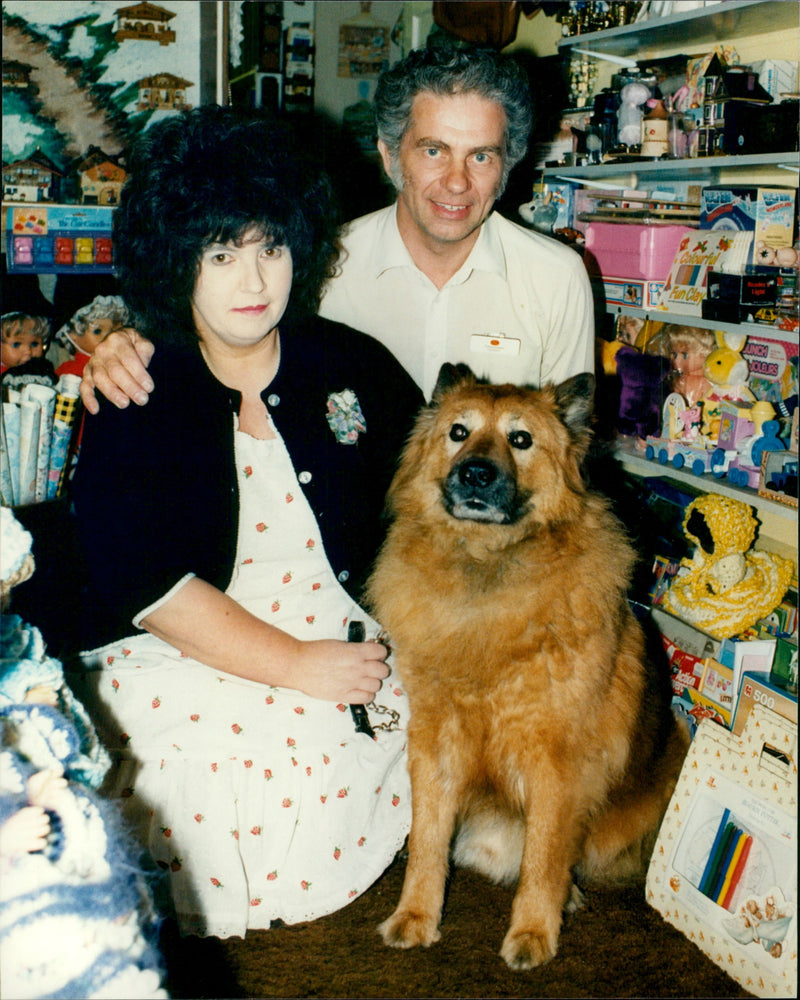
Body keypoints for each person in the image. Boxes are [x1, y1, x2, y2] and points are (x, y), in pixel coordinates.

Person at [67, 104, 423, 939]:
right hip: (187, 638)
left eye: (270, 249)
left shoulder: (353, 364)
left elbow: (427, 510)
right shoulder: (137, 385)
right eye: (221, 255)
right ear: (176, 261)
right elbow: (142, 581)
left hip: (343, 625)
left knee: (325, 757)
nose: (254, 282)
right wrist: (294, 665)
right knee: (187, 767)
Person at [78, 45, 594, 411]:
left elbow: (568, 452)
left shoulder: (555, 277)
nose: (457, 182)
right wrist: (132, 344)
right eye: (434, 151)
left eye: (481, 156)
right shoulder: (317, 259)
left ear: (506, 168)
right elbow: (224, 335)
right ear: (390, 156)